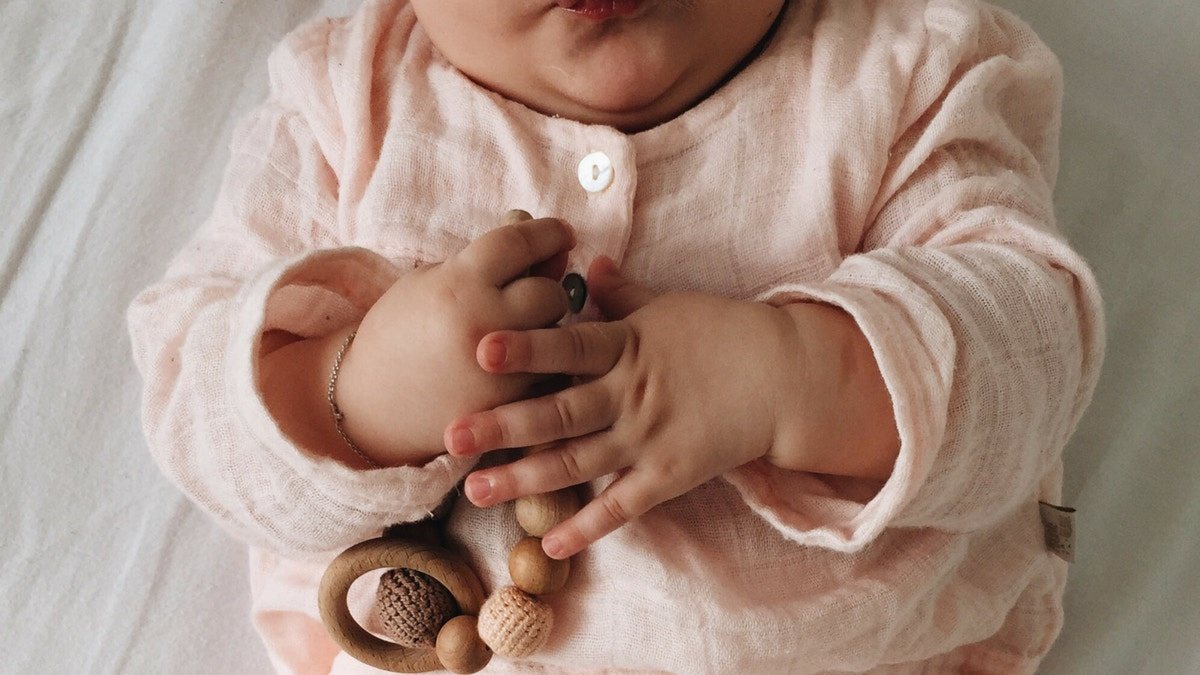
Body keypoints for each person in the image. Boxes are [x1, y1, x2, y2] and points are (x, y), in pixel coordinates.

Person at [127, 0, 1106, 672]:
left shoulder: (910, 67)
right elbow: (192, 391)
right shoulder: (343, 104)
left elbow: (1033, 347)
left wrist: (790, 373)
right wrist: (359, 387)